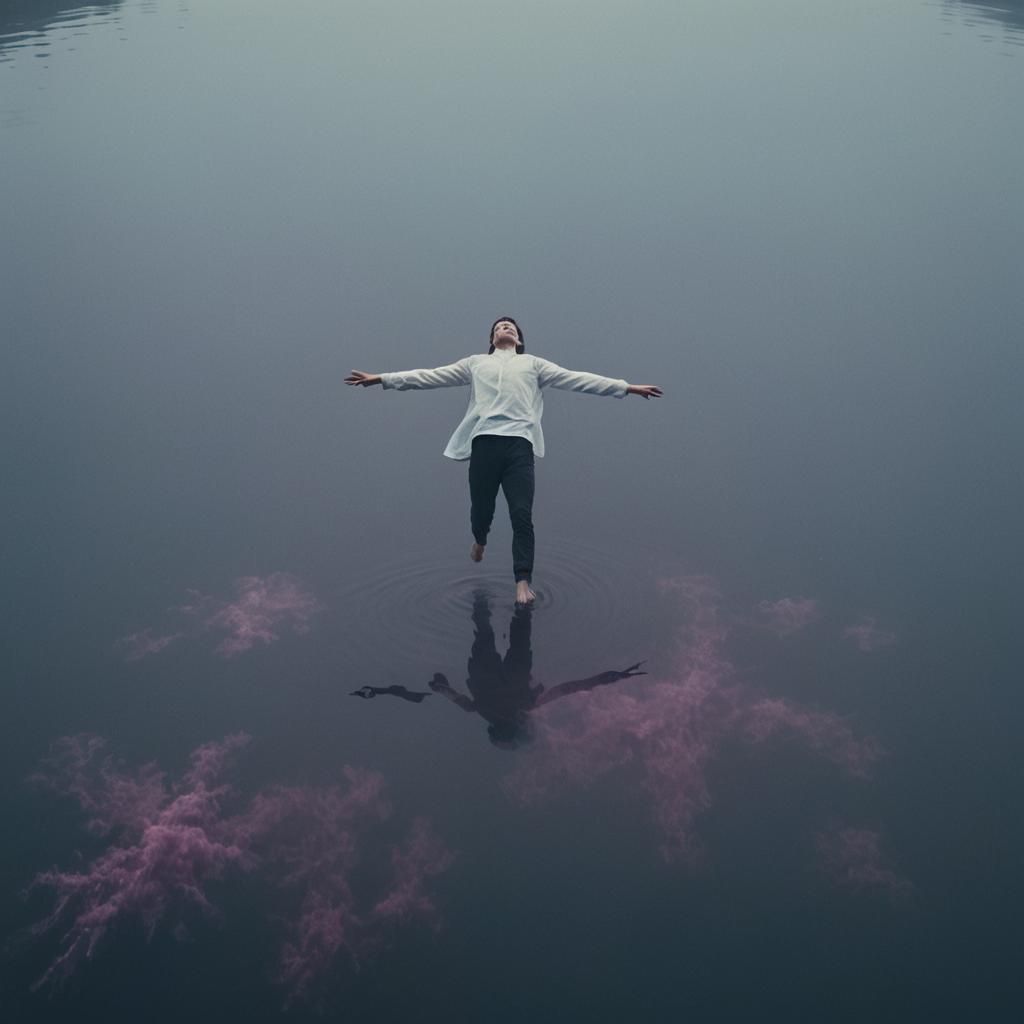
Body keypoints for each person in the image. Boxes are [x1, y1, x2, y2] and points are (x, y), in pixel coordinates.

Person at [346, 316, 662, 605]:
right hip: (484, 443)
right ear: (492, 339)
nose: (504, 328)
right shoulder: (475, 364)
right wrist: (381, 379)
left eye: (510, 326)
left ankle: (522, 582)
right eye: (498, 327)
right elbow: (430, 376)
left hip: (519, 448)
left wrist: (627, 388)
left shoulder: (534, 365)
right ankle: (480, 539)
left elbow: (576, 378)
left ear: (519, 340)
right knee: (482, 509)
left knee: (521, 514)